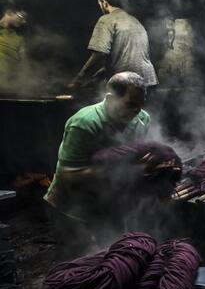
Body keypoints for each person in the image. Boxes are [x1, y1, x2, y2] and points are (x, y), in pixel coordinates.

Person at [44, 72, 155, 229]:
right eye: (130, 104)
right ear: (110, 99)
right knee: (79, 251)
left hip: (108, 202)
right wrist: (116, 169)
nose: (137, 110)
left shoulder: (143, 119)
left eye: (141, 104)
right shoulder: (84, 123)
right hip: (74, 207)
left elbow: (138, 155)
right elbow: (66, 173)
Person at [69, 0, 158, 90]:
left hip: (126, 84)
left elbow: (99, 53)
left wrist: (80, 77)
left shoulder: (106, 19)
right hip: (148, 81)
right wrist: (102, 72)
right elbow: (131, 57)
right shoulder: (135, 21)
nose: (101, 8)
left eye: (100, 5)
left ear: (104, 3)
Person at [0, 7, 28, 87]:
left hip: (8, 81)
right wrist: (4, 21)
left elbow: (24, 61)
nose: (24, 21)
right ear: (9, 14)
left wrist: (24, 77)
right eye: (21, 16)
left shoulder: (19, 38)